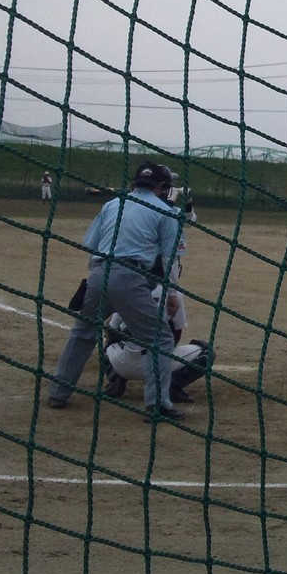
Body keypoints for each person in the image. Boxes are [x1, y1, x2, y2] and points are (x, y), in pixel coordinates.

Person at [48, 161, 185, 422]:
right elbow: (169, 260)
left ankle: (58, 392)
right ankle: (158, 405)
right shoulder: (166, 212)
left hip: (99, 273)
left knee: (82, 333)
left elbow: (92, 244)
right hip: (130, 277)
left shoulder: (112, 204)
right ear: (162, 187)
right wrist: (172, 294)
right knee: (160, 339)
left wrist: (94, 281)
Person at [105, 171, 199, 403]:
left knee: (112, 326)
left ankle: (117, 376)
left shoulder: (148, 210)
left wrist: (184, 203)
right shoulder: (160, 212)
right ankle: (166, 381)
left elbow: (190, 219)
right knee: (173, 326)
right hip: (161, 277)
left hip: (134, 276)